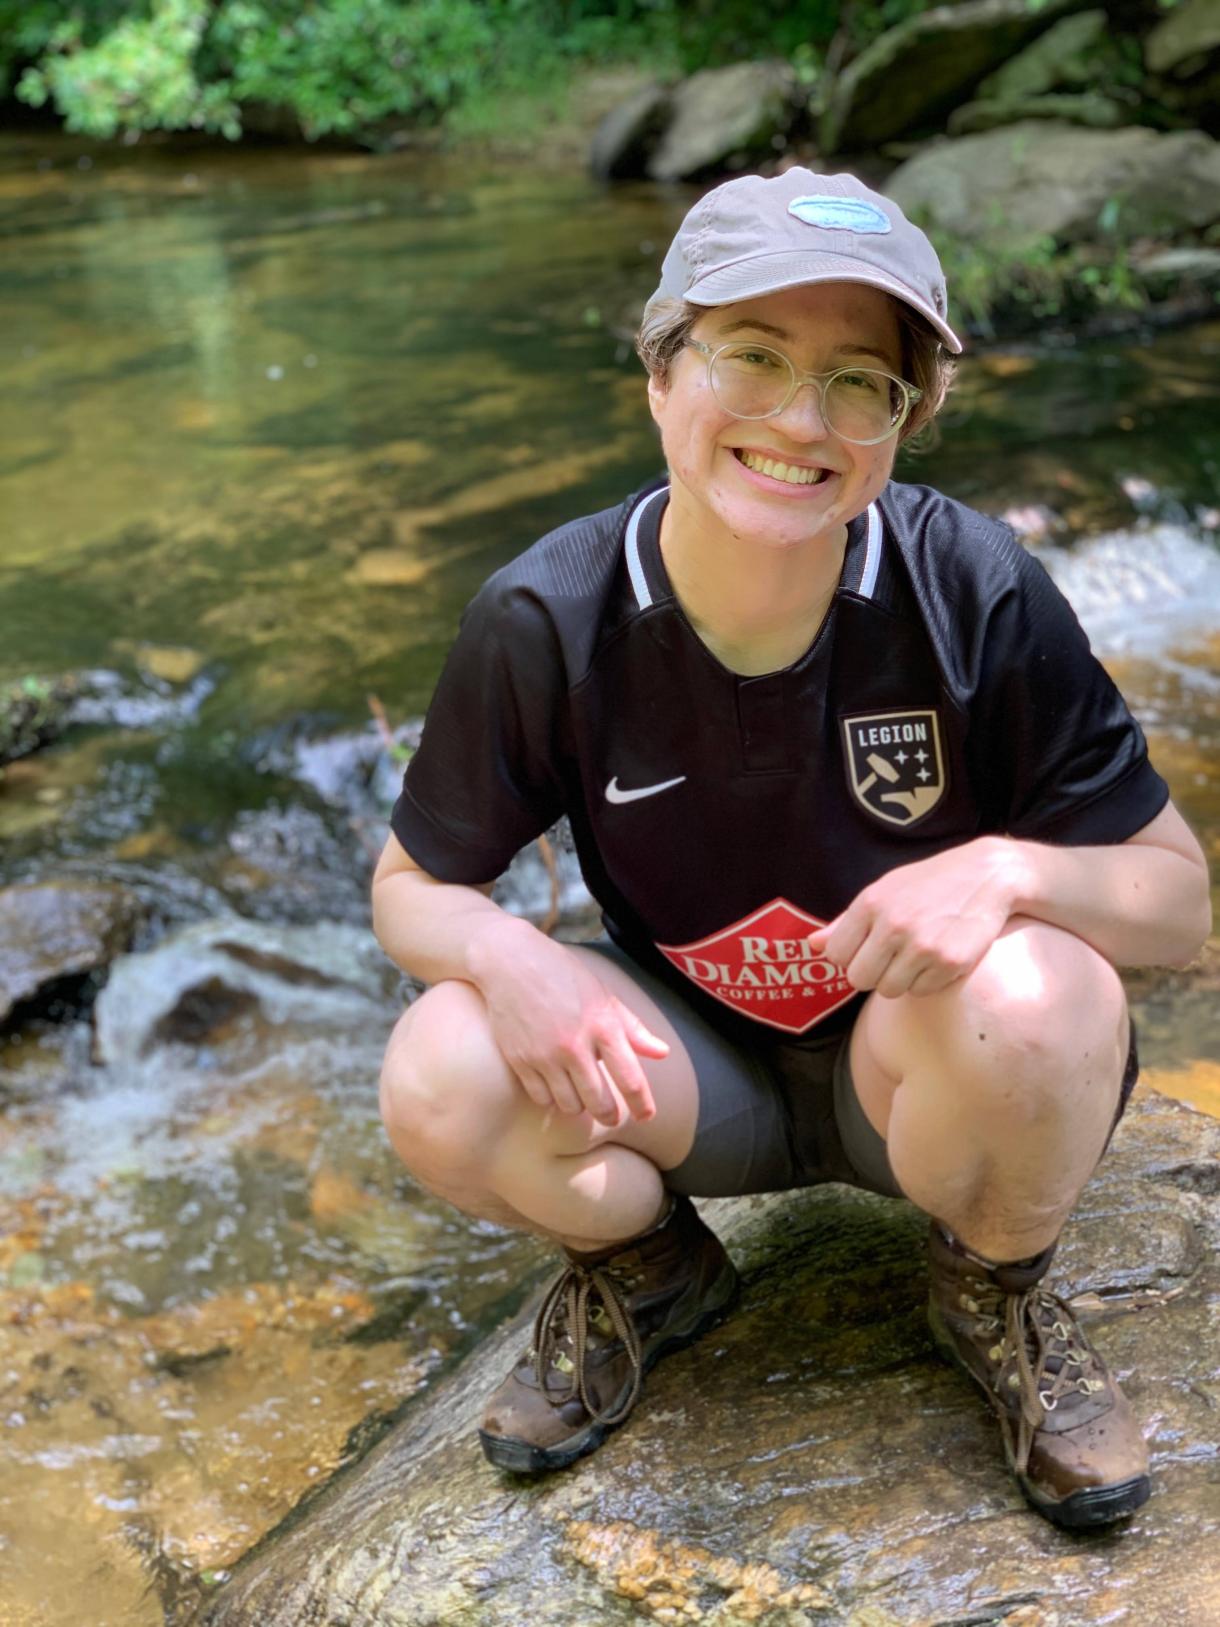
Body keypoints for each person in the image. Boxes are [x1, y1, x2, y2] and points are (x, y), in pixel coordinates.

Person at [371, 169, 1211, 1529]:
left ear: (903, 422)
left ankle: (990, 1289)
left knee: (1048, 991)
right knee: (442, 1064)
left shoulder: (975, 589)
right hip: (695, 1082)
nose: (796, 421)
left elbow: (1174, 905)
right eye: (749, 358)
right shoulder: (546, 617)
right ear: (659, 374)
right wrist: (500, 952)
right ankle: (652, 1271)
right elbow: (415, 889)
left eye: (857, 385)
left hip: (917, 1081)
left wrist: (1014, 871)